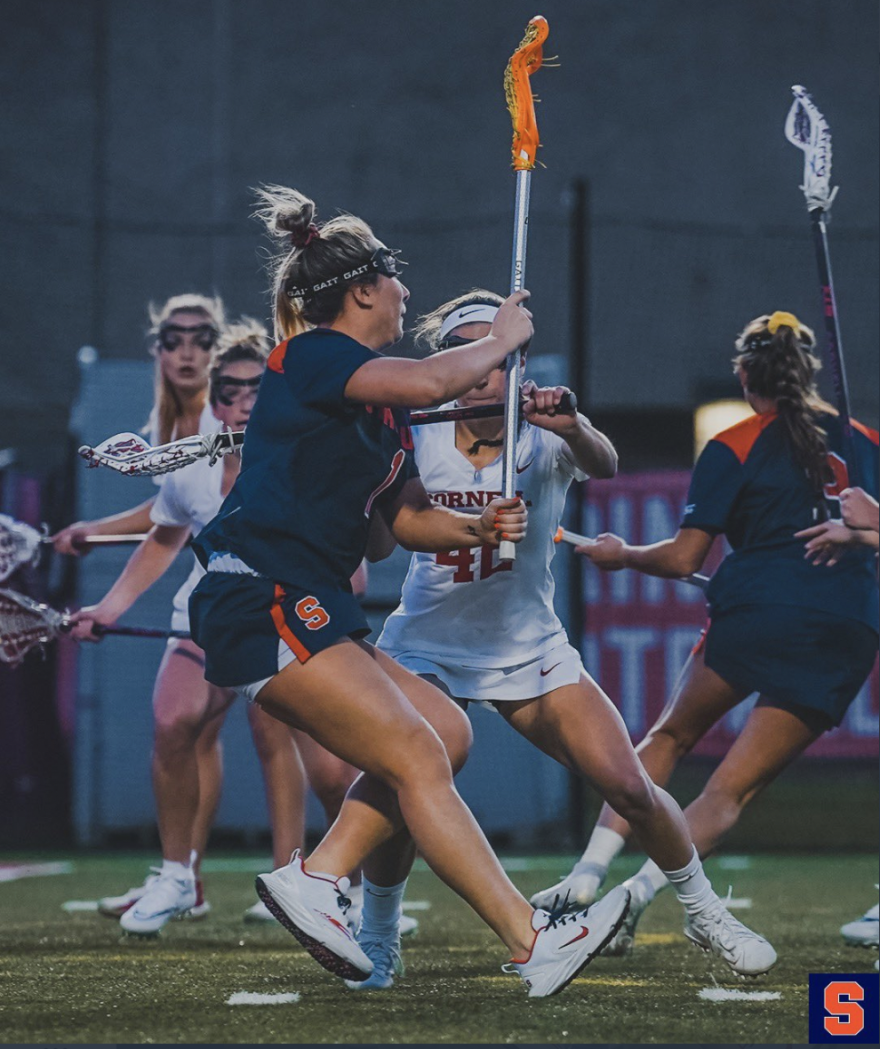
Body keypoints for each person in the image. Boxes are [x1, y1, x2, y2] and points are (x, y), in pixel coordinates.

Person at [187, 185, 633, 999]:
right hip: (262, 589)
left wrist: (478, 528)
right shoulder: (318, 353)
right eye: (395, 280)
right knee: (419, 751)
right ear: (361, 289)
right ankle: (530, 938)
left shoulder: (375, 408)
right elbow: (433, 381)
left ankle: (321, 876)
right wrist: (502, 339)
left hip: (307, 594)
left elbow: (399, 524)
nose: (404, 293)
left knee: (444, 730)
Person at [348, 290, 775, 989]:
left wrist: (573, 426)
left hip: (529, 645)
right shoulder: (416, 431)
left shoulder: (542, 428)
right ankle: (379, 929)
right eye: (477, 355)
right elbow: (390, 530)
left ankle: (703, 910)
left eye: (505, 356)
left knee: (629, 782)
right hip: (426, 641)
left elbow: (603, 461)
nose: (492, 372)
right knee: (403, 780)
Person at [532, 311, 879, 956]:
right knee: (730, 789)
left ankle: (588, 876)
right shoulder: (863, 438)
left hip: (756, 613)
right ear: (808, 371)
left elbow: (684, 559)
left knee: (670, 735)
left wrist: (622, 553)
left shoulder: (736, 442)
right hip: (845, 626)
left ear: (745, 374)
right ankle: (635, 896)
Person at [70, 322, 359, 933]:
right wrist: (109, 609)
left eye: (257, 388)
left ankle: (332, 882)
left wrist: (346, 574)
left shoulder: (303, 453)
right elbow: (165, 533)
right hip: (212, 614)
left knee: (332, 772)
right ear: (215, 398)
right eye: (229, 391)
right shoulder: (195, 462)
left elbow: (353, 553)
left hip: (290, 620)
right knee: (173, 721)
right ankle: (178, 876)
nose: (244, 402)